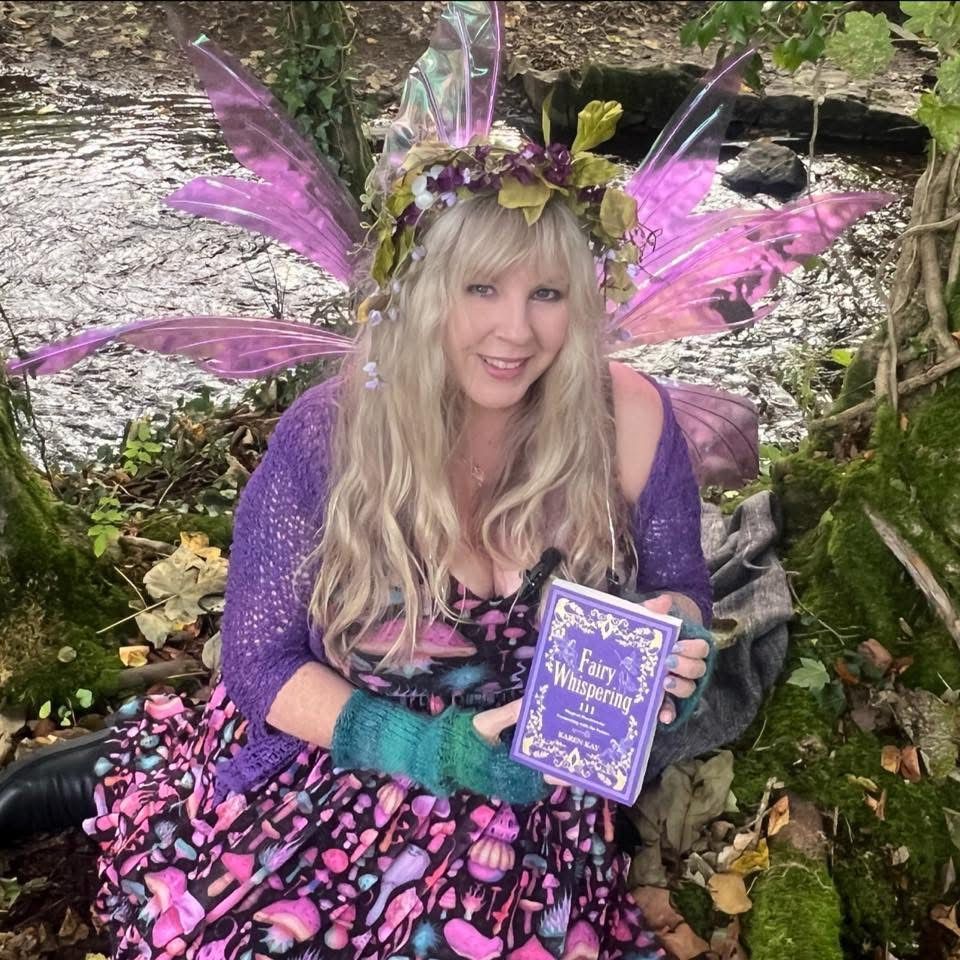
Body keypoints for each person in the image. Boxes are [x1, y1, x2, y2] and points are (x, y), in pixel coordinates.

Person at [0, 4, 888, 956]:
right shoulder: (330, 436)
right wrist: (429, 751)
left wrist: (675, 636)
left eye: (547, 294)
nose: (516, 332)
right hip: (348, 751)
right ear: (423, 291)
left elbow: (681, 576)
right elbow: (258, 664)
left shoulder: (629, 418)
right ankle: (116, 765)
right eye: (481, 289)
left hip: (527, 780)